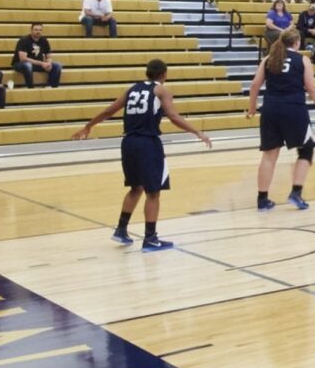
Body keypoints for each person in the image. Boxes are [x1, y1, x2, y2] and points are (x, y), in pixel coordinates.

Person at [72, 59, 214, 251]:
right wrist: (198, 132)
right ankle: (150, 238)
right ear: (164, 74)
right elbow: (173, 116)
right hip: (147, 142)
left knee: (135, 188)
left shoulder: (132, 89)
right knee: (153, 192)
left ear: (147, 73)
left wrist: (89, 125)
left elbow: (109, 110)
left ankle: (121, 229)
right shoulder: (161, 90)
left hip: (128, 143)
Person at [247, 29, 315, 211]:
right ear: (297, 42)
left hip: (270, 109)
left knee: (269, 155)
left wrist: (252, 108)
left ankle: (262, 199)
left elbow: (254, 86)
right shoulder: (303, 60)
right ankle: (296, 193)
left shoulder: (268, 59)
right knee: (306, 150)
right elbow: (312, 88)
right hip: (293, 109)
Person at [14, 23, 62, 88]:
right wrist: (42, 63)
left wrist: (48, 63)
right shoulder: (24, 40)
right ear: (31, 30)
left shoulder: (44, 40)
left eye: (40, 30)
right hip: (20, 64)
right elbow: (23, 58)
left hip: (37, 64)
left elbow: (48, 56)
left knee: (57, 65)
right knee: (28, 65)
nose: (38, 32)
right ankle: (30, 88)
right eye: (36, 30)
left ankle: (51, 87)